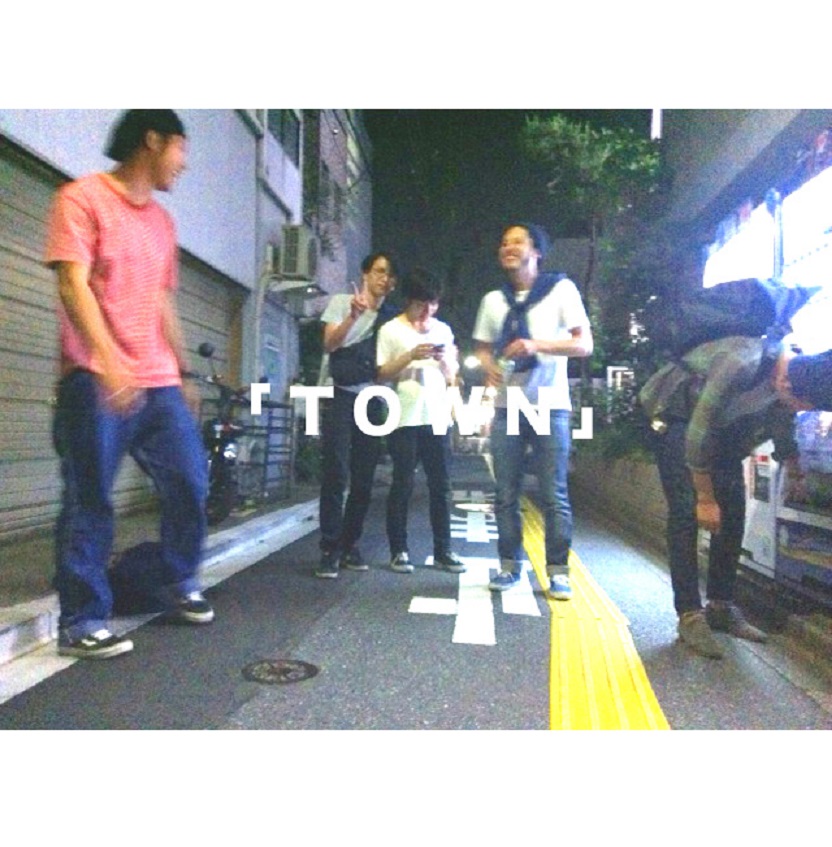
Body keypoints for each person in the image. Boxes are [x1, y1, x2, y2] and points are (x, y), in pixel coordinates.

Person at [44, 110, 212, 660]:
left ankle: (175, 578)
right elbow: (73, 284)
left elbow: (162, 299)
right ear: (153, 141)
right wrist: (110, 360)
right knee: (90, 498)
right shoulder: (80, 198)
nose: (184, 164)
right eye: (180, 149)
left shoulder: (162, 222)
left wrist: (182, 372)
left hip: (159, 383)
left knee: (191, 483)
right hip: (95, 379)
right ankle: (82, 620)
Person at [640, 336, 832, 658]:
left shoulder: (795, 374)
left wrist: (794, 469)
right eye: (806, 406)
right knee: (687, 512)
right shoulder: (739, 363)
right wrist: (705, 498)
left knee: (732, 511)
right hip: (678, 418)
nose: (804, 411)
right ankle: (690, 615)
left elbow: (781, 418)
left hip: (722, 428)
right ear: (786, 384)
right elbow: (698, 433)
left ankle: (720, 607)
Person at [473, 223, 593, 599]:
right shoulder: (493, 300)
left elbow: (584, 344)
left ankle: (558, 572)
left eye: (518, 241)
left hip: (549, 405)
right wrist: (488, 366)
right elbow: (482, 347)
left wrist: (535, 344)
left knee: (553, 492)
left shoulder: (561, 290)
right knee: (505, 493)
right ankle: (509, 566)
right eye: (504, 242)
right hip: (508, 405)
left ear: (537, 252)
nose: (508, 246)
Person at [376, 269, 466, 574]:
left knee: (441, 486)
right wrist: (410, 355)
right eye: (420, 305)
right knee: (402, 484)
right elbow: (381, 374)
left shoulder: (444, 330)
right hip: (403, 417)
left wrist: (446, 363)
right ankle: (398, 550)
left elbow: (452, 376)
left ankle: (443, 550)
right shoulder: (391, 330)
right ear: (408, 301)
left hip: (438, 417)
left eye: (433, 304)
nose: (427, 311)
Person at [314, 252, 397, 578]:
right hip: (341, 395)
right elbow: (329, 345)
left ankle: (350, 544)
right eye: (379, 271)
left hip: (373, 399)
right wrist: (353, 316)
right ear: (365, 274)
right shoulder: (342, 302)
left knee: (364, 477)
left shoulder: (391, 318)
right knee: (336, 472)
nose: (384, 278)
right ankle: (329, 548)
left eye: (389, 274)